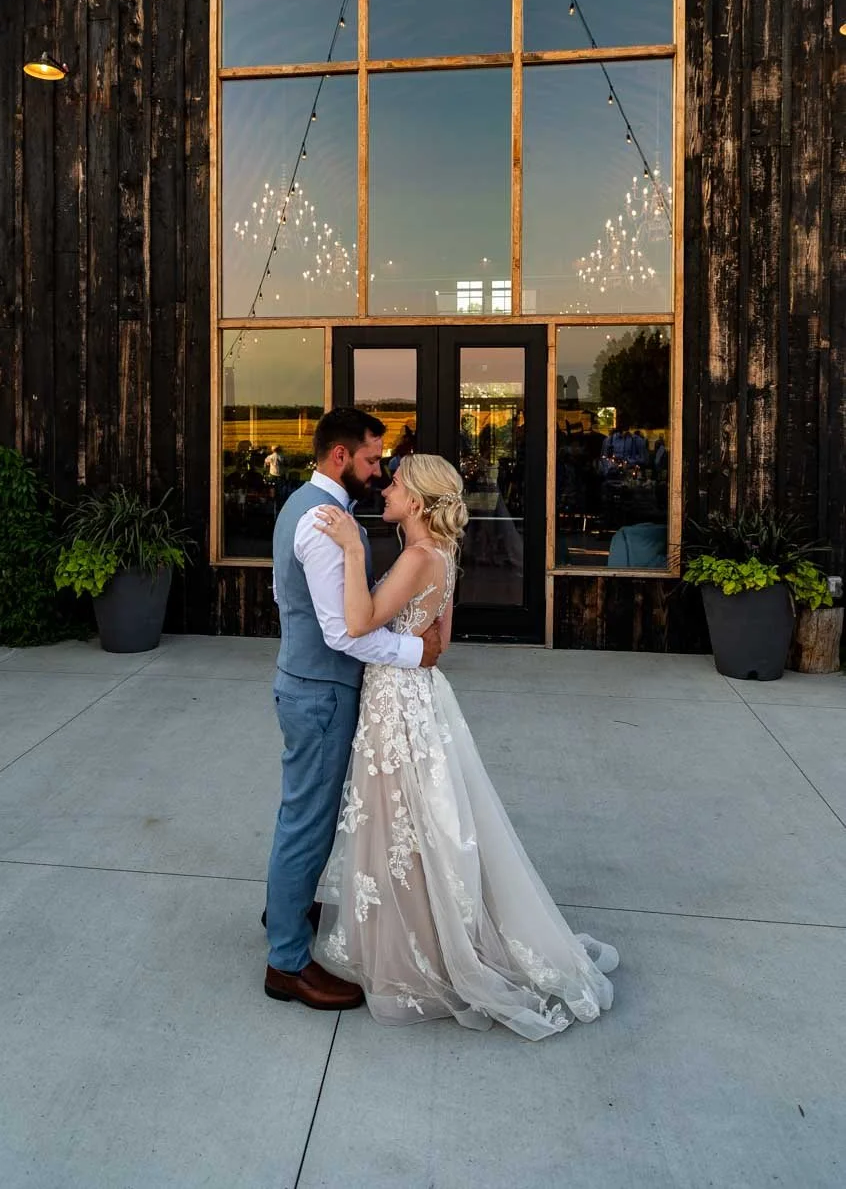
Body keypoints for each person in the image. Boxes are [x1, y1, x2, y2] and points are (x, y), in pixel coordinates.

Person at [311, 453, 619, 1039]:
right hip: (417, 695)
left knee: (399, 823)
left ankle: (413, 955)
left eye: (397, 484)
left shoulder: (415, 556)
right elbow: (441, 639)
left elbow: (354, 623)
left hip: (395, 703)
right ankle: (420, 937)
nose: (387, 487)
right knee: (419, 825)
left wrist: (353, 549)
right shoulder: (444, 557)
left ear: (419, 503)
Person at [264, 408, 443, 1011]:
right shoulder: (322, 521)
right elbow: (343, 632)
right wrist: (415, 649)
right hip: (320, 689)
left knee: (308, 810)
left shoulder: (304, 507)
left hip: (310, 682)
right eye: (372, 458)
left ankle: (286, 907)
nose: (379, 469)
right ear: (340, 456)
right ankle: (286, 962)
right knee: (307, 819)